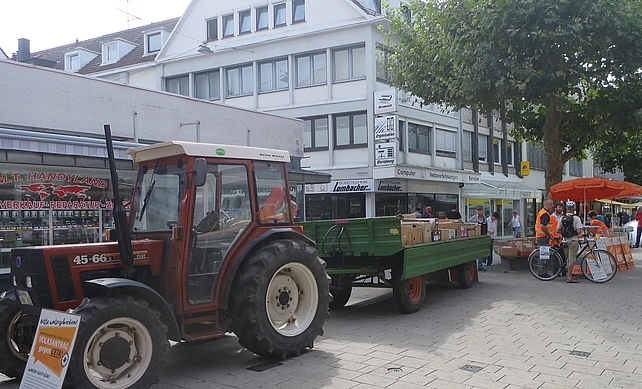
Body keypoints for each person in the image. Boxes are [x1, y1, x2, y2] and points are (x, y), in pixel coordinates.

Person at [556, 201, 584, 283]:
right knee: (572, 259)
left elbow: (557, 230)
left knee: (568, 259)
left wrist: (565, 234)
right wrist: (573, 233)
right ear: (574, 208)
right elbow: (579, 231)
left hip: (564, 240)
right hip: (573, 240)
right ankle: (569, 277)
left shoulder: (562, 218)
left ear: (566, 208)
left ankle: (568, 274)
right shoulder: (576, 218)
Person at [468, 206, 488, 271]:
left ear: (483, 210)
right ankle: (472, 266)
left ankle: (480, 265)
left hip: (482, 237)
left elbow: (486, 227)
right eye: (478, 210)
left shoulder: (484, 218)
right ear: (476, 211)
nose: (479, 211)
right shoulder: (473, 218)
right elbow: (468, 225)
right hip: (475, 237)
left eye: (481, 210)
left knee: (481, 251)